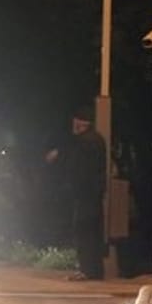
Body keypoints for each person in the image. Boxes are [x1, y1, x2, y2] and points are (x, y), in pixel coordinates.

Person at [43, 105, 107, 279]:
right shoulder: (96, 139)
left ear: (80, 123)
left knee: (83, 231)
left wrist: (71, 185)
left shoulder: (84, 142)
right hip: (92, 193)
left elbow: (79, 168)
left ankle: (87, 270)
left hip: (85, 194)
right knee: (92, 231)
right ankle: (94, 270)